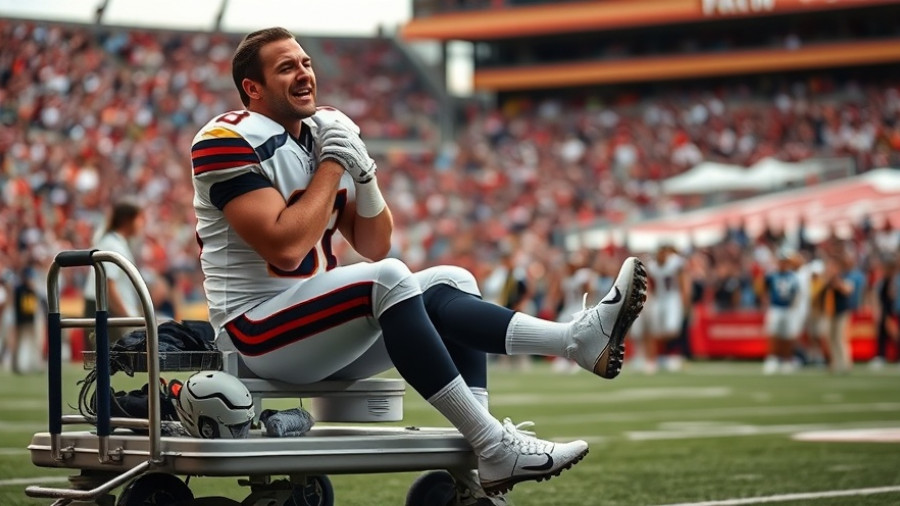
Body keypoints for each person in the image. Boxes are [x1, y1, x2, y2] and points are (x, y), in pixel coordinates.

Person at [190, 27, 647, 498]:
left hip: (319, 333)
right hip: (256, 332)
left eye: (305, 62)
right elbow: (285, 248)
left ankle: (563, 355)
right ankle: (493, 441)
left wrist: (364, 176)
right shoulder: (225, 140)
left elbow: (374, 243)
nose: (304, 73)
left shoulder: (324, 128)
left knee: (453, 279)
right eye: (286, 67)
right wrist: (332, 167)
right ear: (253, 89)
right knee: (390, 279)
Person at [82, 199, 145, 346]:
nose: (142, 224)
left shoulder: (116, 242)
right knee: (112, 360)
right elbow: (108, 285)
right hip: (106, 308)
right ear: (127, 220)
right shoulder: (113, 245)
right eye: (139, 219)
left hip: (106, 306)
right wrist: (126, 316)